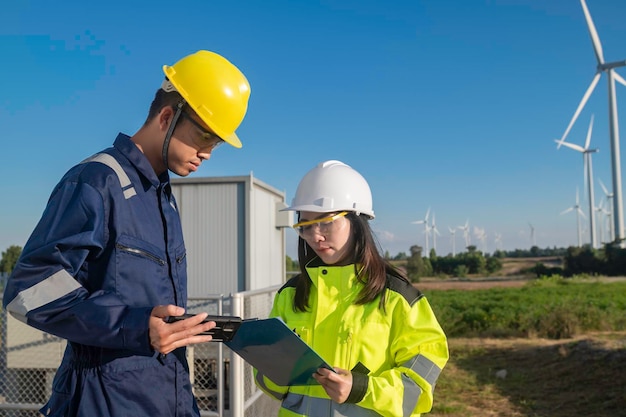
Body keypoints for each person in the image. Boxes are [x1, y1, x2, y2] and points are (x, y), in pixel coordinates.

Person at [2, 50, 251, 416]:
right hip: (102, 402)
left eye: (216, 144)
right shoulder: (95, 182)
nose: (208, 153)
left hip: (166, 397)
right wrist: (134, 325)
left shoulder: (162, 198)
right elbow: (28, 289)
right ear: (167, 116)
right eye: (205, 138)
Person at [255, 160, 449, 417]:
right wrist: (271, 369)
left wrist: (361, 388)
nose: (315, 236)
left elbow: (419, 387)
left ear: (357, 222)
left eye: (325, 222)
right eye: (305, 226)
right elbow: (270, 381)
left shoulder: (398, 299)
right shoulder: (290, 295)